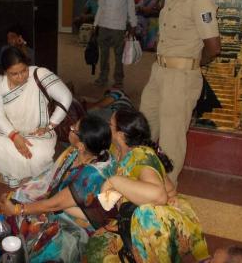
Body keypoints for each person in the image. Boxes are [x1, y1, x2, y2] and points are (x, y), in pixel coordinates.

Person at [83, 108, 209, 262]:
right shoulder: (116, 152)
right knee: (96, 247)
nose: (107, 127)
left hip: (159, 221)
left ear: (121, 135)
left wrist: (113, 181)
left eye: (110, 124)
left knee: (144, 215)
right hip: (131, 215)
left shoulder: (140, 154)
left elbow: (159, 195)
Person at [140, 0, 221, 184]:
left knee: (171, 138)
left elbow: (214, 47)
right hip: (159, 72)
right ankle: (141, 176)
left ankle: (166, 190)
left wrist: (190, 65)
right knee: (144, 125)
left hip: (180, 77)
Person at [0, 115, 114, 262]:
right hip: (60, 203)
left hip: (75, 222)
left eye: (74, 129)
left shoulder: (90, 176)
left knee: (31, 223)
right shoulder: (82, 152)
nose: (70, 128)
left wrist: (17, 209)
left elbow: (55, 204)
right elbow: (53, 177)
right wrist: (27, 187)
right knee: (17, 195)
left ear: (82, 146)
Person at [0, 46, 72, 187]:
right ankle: (12, 174)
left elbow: (66, 97)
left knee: (38, 154)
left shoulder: (40, 74)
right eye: (14, 74)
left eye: (24, 70)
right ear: (5, 72)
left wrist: (50, 125)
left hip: (38, 132)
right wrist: (14, 136)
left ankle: (32, 178)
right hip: (10, 130)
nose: (21, 76)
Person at [93, 0, 137, 88]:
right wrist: (95, 25)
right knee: (104, 55)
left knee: (119, 56)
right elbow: (100, 7)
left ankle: (118, 80)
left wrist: (133, 25)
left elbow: (131, 7)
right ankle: (103, 77)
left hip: (118, 28)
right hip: (104, 26)